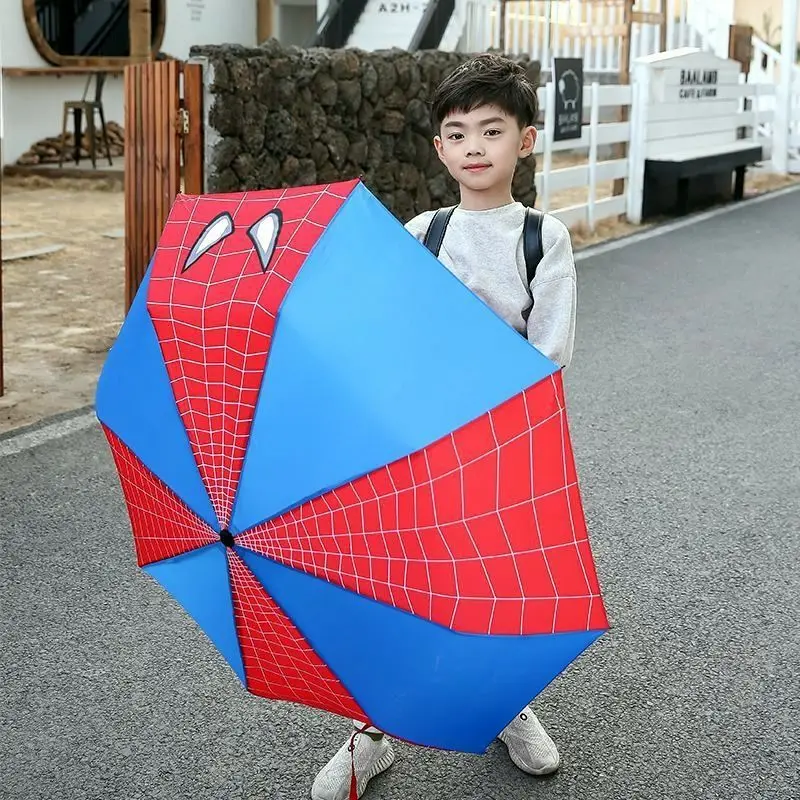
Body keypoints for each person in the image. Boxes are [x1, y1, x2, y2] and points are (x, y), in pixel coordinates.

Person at [311, 52, 578, 800]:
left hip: (503, 447)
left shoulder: (541, 239)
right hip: (419, 446)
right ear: (438, 148)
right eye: (457, 133)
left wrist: (475, 384)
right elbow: (389, 332)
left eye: (492, 130)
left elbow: (547, 359)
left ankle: (505, 703)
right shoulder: (421, 232)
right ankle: (371, 733)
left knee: (496, 586)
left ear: (525, 139)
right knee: (399, 590)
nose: (474, 147)